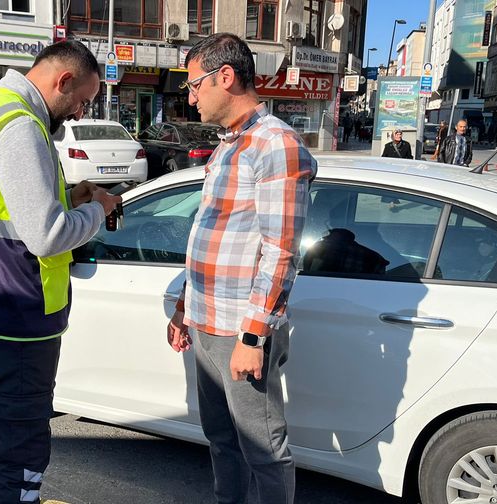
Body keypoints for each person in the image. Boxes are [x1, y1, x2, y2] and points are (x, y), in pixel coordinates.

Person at [0, 41, 121, 504]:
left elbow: (9, 208)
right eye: (81, 100)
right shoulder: (20, 127)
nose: (79, 113)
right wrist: (98, 208)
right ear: (63, 81)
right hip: (15, 312)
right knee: (23, 446)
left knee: (7, 439)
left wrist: (68, 197)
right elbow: (47, 235)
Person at [166, 33, 317, 504]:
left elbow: (280, 251)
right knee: (220, 435)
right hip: (207, 321)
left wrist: (252, 337)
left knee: (263, 446)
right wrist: (183, 309)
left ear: (225, 77)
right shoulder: (230, 144)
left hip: (240, 329)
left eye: (193, 86)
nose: (190, 98)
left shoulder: (275, 145)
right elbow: (213, 235)